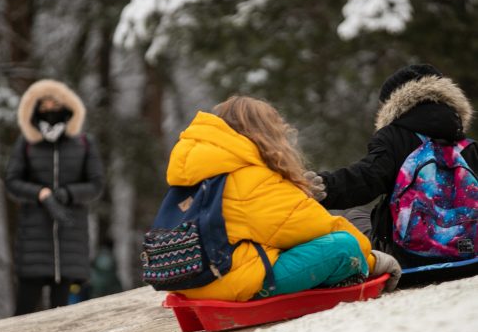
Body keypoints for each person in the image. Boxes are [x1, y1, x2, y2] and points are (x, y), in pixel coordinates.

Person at [163, 95, 400, 302]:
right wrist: (371, 260)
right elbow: (315, 227)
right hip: (233, 283)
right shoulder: (250, 176)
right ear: (264, 134)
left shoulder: (201, 172)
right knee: (344, 246)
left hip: (194, 283)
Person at [318, 64, 478, 268]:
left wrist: (321, 186)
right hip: (470, 253)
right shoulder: (467, 145)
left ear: (391, 103)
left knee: (354, 215)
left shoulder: (393, 137)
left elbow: (364, 180)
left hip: (407, 258)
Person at [5, 79, 104, 315]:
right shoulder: (26, 144)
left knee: (66, 317)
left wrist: (67, 194)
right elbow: (12, 182)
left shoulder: (83, 143)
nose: (50, 110)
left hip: (71, 240)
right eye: (44, 105)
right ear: (35, 109)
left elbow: (96, 184)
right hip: (33, 242)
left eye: (55, 104)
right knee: (24, 314)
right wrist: (40, 193)